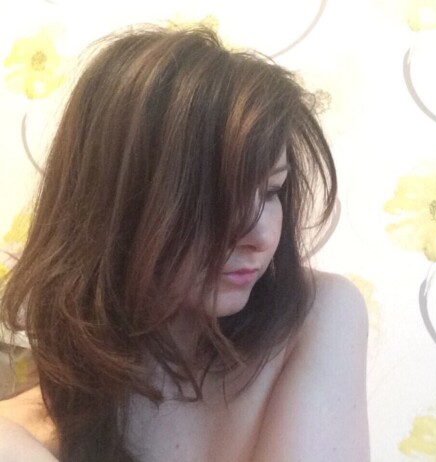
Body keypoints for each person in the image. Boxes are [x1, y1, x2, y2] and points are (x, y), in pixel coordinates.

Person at [0, 24, 369, 461]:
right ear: (115, 204)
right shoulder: (18, 437)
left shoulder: (316, 314)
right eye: (212, 198)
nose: (260, 236)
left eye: (272, 191)